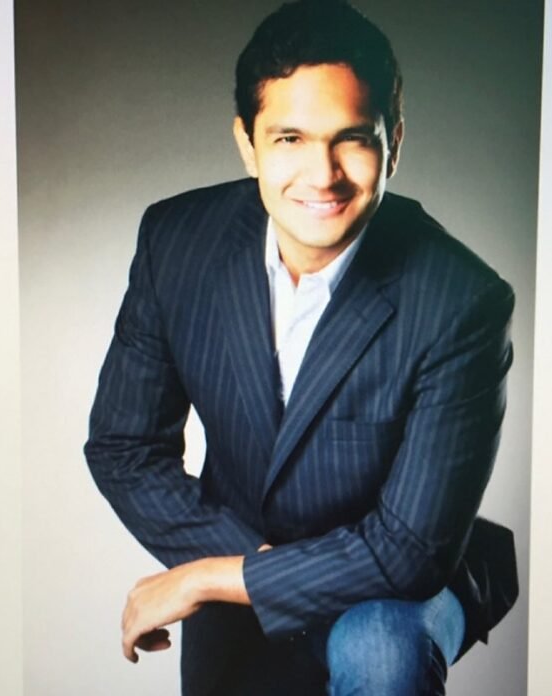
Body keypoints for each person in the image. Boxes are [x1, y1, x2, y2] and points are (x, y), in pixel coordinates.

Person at [85, 1, 518, 694]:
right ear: (247, 143)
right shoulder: (177, 243)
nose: (323, 174)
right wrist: (253, 570)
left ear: (394, 142)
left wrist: (206, 579)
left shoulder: (461, 301)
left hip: (399, 582)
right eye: (290, 138)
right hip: (238, 552)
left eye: (353, 139)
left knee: (381, 649)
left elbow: (410, 550)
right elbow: (124, 447)